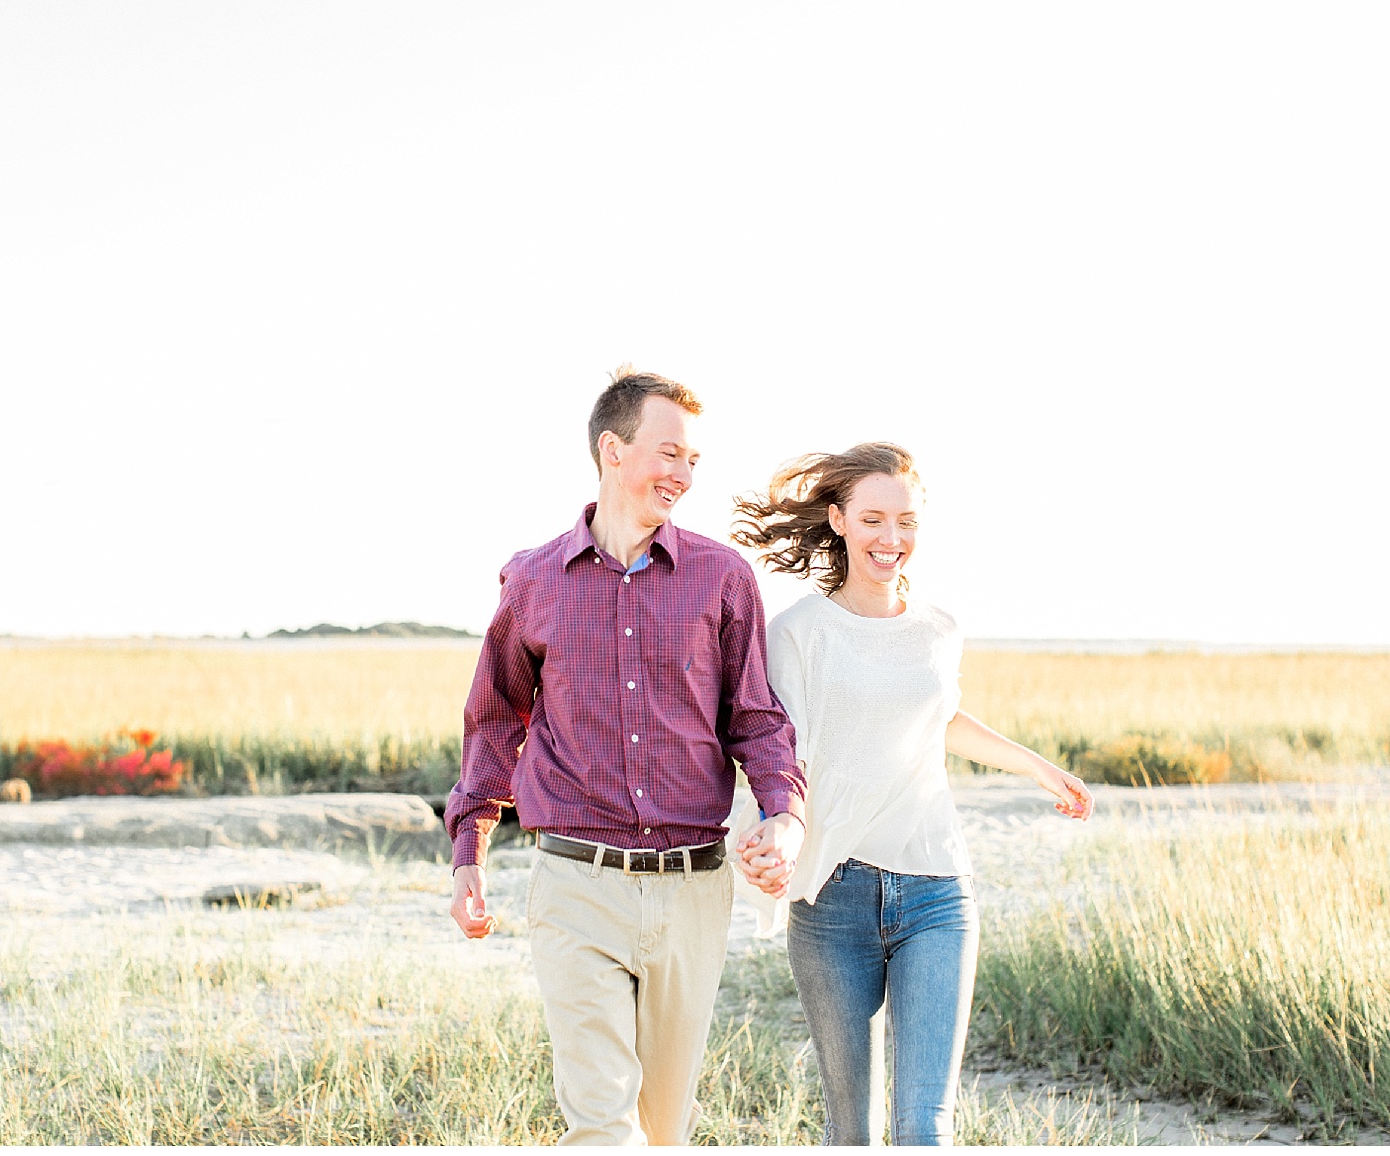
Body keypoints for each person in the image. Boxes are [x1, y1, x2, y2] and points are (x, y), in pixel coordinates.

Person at [444, 366, 809, 1146]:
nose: (682, 473)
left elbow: (755, 716)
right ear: (612, 449)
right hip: (576, 884)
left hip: (692, 890)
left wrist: (784, 814)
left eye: (693, 461)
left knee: (662, 1128)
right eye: (668, 452)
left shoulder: (723, 577)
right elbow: (494, 720)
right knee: (603, 1123)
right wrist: (469, 847)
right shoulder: (535, 579)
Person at [731, 441, 1093, 1146]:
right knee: (852, 1129)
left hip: (936, 890)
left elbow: (938, 716)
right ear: (837, 520)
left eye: (906, 521)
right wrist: (777, 830)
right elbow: (782, 753)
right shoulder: (799, 632)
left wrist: (1037, 767)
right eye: (872, 519)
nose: (891, 539)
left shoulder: (939, 628)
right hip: (833, 898)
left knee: (925, 1127)